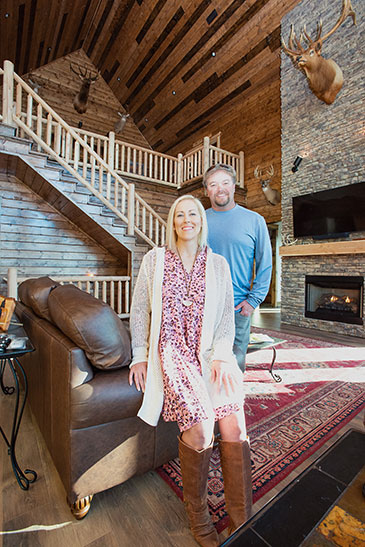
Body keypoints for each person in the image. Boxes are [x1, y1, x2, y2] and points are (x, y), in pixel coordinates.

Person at [129, 195, 252, 547]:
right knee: (200, 430)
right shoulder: (154, 260)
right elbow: (139, 312)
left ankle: (242, 518)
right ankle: (197, 516)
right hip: (172, 353)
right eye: (180, 214)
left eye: (192, 214)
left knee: (235, 426)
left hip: (212, 353)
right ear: (173, 222)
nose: (187, 219)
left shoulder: (218, 265)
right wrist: (139, 355)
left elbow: (227, 318)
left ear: (202, 220)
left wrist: (222, 357)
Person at [203, 163, 272, 370]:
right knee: (202, 360)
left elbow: (265, 264)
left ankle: (231, 402)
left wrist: (253, 301)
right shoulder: (198, 220)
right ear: (207, 191)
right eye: (213, 184)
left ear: (234, 187)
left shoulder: (255, 221)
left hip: (237, 305)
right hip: (202, 303)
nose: (220, 188)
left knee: (233, 363)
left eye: (225, 182)